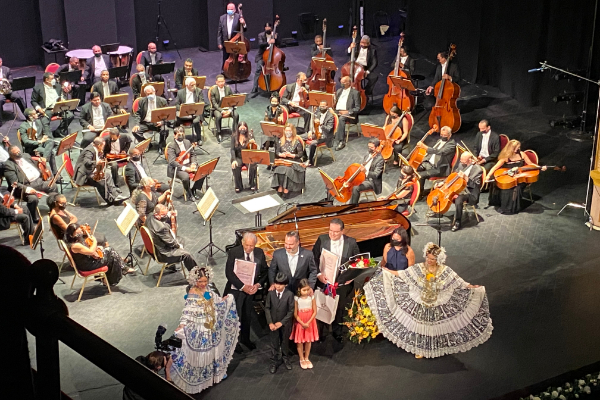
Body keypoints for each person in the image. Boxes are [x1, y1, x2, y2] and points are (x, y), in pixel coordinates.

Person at [364, 242, 492, 359]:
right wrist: (388, 271)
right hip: (420, 300)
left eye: (432, 259)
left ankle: (433, 346)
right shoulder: (420, 267)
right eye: (428, 258)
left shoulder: (445, 271)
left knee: (433, 326)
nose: (429, 261)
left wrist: (471, 287)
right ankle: (419, 348)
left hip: (436, 302)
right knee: (420, 326)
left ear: (438, 260)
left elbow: (458, 282)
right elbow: (403, 274)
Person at [169, 266, 239, 394]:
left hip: (211, 325)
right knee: (202, 353)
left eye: (205, 281)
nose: (203, 284)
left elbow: (212, 300)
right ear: (195, 281)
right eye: (200, 281)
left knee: (213, 350)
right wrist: (182, 325)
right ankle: (202, 377)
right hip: (200, 327)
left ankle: (216, 373)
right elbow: (188, 311)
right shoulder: (192, 293)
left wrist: (223, 300)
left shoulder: (206, 290)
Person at [312, 218, 360, 341]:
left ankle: (337, 332)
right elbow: (313, 259)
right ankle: (321, 333)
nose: (332, 234)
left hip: (341, 283)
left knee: (339, 308)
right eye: (330, 231)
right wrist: (318, 275)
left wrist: (351, 277)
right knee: (322, 305)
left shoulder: (351, 242)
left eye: (336, 232)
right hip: (324, 280)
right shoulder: (322, 239)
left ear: (342, 231)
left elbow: (358, 262)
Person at [223, 231, 269, 352]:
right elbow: (229, 273)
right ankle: (234, 342)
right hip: (236, 290)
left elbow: (265, 271)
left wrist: (258, 285)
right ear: (242, 242)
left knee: (247, 315)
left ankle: (245, 339)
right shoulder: (234, 252)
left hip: (251, 290)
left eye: (252, 246)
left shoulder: (259, 252)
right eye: (247, 245)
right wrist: (243, 287)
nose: (249, 248)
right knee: (235, 316)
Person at [487, 139, 546, 214]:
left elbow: (531, 164)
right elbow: (495, 167)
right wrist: (488, 176)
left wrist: (540, 167)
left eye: (518, 148)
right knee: (504, 185)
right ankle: (503, 205)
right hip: (508, 176)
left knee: (516, 188)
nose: (517, 150)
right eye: (515, 148)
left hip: (520, 178)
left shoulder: (522, 154)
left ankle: (511, 208)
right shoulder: (505, 156)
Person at [65, 223, 134, 285]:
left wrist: (97, 247)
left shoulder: (76, 241)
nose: (81, 232)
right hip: (87, 266)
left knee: (108, 251)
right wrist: (94, 241)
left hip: (87, 261)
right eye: (78, 231)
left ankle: (120, 270)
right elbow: (91, 251)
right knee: (110, 252)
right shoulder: (75, 245)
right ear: (72, 234)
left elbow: (85, 250)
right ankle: (122, 269)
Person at [4, 145, 57, 222]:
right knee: (33, 199)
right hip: (25, 186)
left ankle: (54, 208)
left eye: (19, 151)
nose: (19, 154)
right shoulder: (8, 165)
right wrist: (27, 189)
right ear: (11, 155)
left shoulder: (26, 155)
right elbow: (14, 184)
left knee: (53, 186)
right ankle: (32, 217)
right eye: (17, 153)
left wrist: (40, 161)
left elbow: (35, 164)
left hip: (39, 181)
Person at [145, 204, 198, 272]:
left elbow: (161, 217)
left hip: (154, 248)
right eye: (164, 215)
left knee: (181, 239)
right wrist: (179, 246)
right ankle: (196, 277)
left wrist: (169, 214)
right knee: (187, 255)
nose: (165, 216)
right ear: (157, 215)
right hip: (163, 254)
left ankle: (171, 265)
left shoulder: (150, 216)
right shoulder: (161, 228)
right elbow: (170, 242)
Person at [440, 152, 483, 231]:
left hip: (470, 193)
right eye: (461, 160)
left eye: (463, 161)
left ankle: (457, 222)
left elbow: (476, 186)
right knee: (440, 189)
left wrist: (466, 178)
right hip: (459, 188)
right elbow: (454, 175)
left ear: (470, 160)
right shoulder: (461, 165)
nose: (461, 162)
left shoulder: (478, 170)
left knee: (458, 199)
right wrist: (443, 182)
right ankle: (439, 209)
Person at [72, 138, 123, 205]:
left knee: (107, 174)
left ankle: (116, 195)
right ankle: (110, 200)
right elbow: (86, 162)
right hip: (84, 176)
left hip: (90, 171)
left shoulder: (94, 148)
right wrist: (97, 162)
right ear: (99, 145)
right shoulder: (89, 151)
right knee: (100, 181)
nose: (103, 147)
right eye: (103, 146)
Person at [265, 272, 294, 374]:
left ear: (285, 284)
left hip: (284, 324)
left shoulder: (289, 295)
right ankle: (274, 361)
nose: (277, 286)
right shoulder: (271, 293)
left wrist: (282, 323)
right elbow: (267, 308)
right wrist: (270, 323)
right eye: (276, 283)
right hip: (273, 324)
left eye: (280, 284)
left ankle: (285, 358)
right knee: (274, 343)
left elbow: (291, 311)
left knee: (285, 341)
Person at [415, 125, 457, 196]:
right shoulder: (439, 141)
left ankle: (419, 195)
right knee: (415, 170)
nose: (442, 136)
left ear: (449, 135)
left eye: (445, 135)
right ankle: (417, 190)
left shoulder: (451, 144)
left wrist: (425, 147)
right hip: (430, 164)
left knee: (420, 175)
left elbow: (440, 151)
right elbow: (433, 151)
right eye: (441, 134)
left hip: (439, 168)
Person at [166, 127, 204, 201]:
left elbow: (192, 154)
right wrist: (185, 169)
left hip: (188, 164)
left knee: (202, 171)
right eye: (178, 134)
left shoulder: (187, 142)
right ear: (174, 135)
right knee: (185, 177)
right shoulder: (171, 146)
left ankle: (194, 189)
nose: (180, 135)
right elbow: (172, 162)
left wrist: (193, 163)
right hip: (177, 168)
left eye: (182, 133)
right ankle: (189, 192)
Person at [31, 72, 73, 137]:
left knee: (70, 115)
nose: (54, 80)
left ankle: (59, 131)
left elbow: (62, 96)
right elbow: (33, 101)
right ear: (47, 80)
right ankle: (49, 138)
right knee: (44, 120)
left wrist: (63, 99)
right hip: (47, 110)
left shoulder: (58, 86)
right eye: (52, 78)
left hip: (58, 108)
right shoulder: (38, 88)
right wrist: (39, 108)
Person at [18, 108, 58, 175]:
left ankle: (44, 158)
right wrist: (39, 142)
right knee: (51, 153)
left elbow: (44, 132)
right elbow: (26, 142)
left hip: (41, 143)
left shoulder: (38, 121)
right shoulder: (23, 126)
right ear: (30, 116)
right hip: (32, 147)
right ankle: (56, 174)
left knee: (51, 141)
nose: (37, 114)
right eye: (35, 114)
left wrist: (45, 136)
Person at [271, 123, 305, 199]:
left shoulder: (296, 142)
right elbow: (277, 152)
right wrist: (280, 154)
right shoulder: (281, 141)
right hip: (283, 161)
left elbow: (300, 154)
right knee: (279, 169)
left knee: (287, 171)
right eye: (286, 130)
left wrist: (291, 155)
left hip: (294, 162)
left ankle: (286, 189)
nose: (287, 132)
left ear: (292, 131)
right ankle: (280, 187)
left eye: (289, 130)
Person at [291, 278, 318, 369]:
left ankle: (307, 357)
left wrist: (309, 322)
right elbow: (295, 313)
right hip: (300, 321)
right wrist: (302, 323)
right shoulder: (296, 298)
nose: (306, 292)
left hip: (310, 321)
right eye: (304, 290)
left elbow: (314, 311)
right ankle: (301, 358)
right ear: (299, 289)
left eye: (307, 289)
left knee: (308, 340)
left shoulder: (311, 297)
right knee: (300, 341)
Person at [132, 85, 169, 151]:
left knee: (165, 130)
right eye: (147, 94)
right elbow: (138, 114)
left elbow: (167, 114)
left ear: (154, 92)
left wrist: (162, 122)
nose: (149, 95)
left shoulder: (162, 101)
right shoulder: (142, 101)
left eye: (151, 93)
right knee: (135, 131)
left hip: (158, 123)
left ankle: (161, 145)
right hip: (145, 123)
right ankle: (147, 144)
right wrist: (137, 124)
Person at [348, 138, 384, 204]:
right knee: (351, 183)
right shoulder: (367, 154)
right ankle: (350, 204)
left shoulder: (380, 159)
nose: (369, 149)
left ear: (377, 147)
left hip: (371, 181)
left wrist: (366, 172)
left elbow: (376, 175)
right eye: (369, 147)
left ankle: (353, 206)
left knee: (356, 188)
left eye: (372, 147)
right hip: (363, 176)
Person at [175, 77, 207, 144]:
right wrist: (183, 108)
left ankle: (199, 139)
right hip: (184, 113)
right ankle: (178, 138)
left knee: (196, 122)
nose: (194, 86)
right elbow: (177, 104)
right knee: (176, 121)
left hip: (195, 113)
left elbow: (202, 102)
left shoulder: (199, 91)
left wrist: (197, 107)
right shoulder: (180, 92)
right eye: (192, 85)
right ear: (187, 85)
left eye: (195, 84)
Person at [334, 76, 361, 151]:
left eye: (344, 83)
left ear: (349, 83)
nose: (342, 84)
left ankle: (341, 141)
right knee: (326, 114)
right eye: (341, 82)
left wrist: (347, 112)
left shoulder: (355, 93)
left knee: (341, 118)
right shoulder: (339, 91)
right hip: (338, 110)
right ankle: (326, 136)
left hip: (349, 114)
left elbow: (357, 108)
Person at [252, 22, 280, 94]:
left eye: (269, 27)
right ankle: (255, 88)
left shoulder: (274, 34)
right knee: (258, 70)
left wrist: (276, 39)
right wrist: (269, 42)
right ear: (264, 28)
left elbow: (279, 44)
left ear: (271, 28)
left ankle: (274, 85)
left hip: (272, 56)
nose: (267, 28)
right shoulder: (261, 35)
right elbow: (260, 45)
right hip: (262, 56)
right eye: (266, 27)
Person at [217, 3, 247, 69]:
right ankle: (225, 71)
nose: (229, 10)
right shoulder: (222, 18)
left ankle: (236, 70)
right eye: (228, 9)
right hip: (226, 41)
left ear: (235, 10)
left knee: (235, 57)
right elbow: (219, 32)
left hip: (235, 42)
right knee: (225, 57)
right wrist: (219, 43)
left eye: (231, 9)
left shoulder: (238, 17)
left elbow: (244, 30)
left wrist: (244, 23)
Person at [210, 74, 239, 143]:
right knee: (218, 116)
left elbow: (232, 100)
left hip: (228, 108)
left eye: (222, 81)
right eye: (219, 82)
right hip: (217, 109)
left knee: (236, 115)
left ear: (224, 81)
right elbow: (214, 104)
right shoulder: (213, 91)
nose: (221, 83)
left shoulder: (228, 89)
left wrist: (229, 110)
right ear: (216, 82)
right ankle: (219, 133)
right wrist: (222, 111)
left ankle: (234, 132)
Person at [306, 100, 335, 166]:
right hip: (316, 132)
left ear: (327, 106)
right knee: (300, 137)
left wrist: (321, 124)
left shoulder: (330, 116)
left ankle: (310, 160)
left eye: (323, 106)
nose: (321, 108)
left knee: (312, 143)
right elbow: (312, 123)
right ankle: (304, 156)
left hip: (325, 135)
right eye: (320, 106)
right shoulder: (318, 113)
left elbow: (328, 129)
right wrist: (310, 131)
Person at [230, 122, 257, 192]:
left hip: (248, 157)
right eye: (241, 127)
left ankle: (252, 184)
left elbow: (254, 149)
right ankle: (238, 186)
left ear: (246, 128)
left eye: (244, 127)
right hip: (238, 156)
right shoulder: (234, 136)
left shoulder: (250, 135)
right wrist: (234, 159)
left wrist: (253, 143)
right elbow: (232, 149)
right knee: (236, 166)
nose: (242, 129)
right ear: (238, 128)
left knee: (252, 165)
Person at [0, 57, 26, 126]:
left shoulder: (7, 69)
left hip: (8, 90)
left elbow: (11, 80)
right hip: (0, 93)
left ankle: (27, 115)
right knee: (0, 100)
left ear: (1, 62)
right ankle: (0, 120)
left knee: (18, 97)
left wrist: (4, 79)